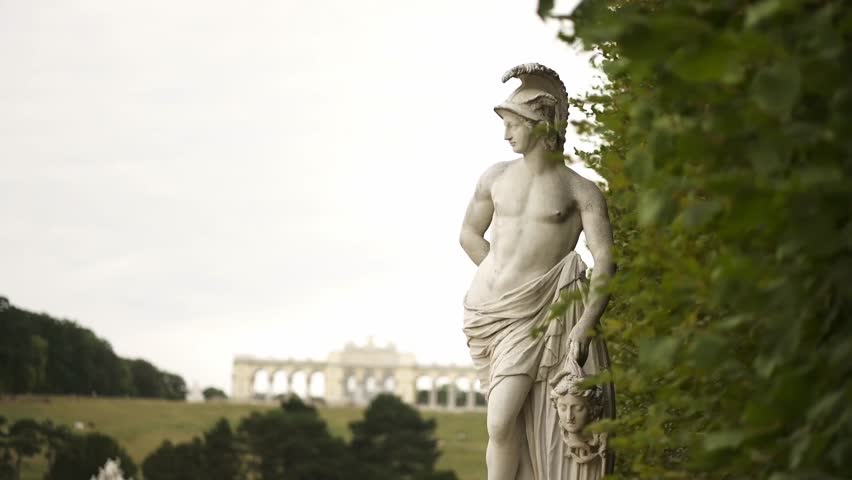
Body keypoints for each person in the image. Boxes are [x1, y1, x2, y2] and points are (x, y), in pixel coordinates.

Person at [460, 63, 615, 480]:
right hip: (487, 312)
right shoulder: (494, 177)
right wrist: (501, 280)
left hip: (536, 318)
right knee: (511, 421)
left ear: (542, 125)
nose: (506, 134)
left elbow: (605, 261)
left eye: (513, 124)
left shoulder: (580, 190)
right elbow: (470, 235)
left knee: (499, 419)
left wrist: (584, 323)